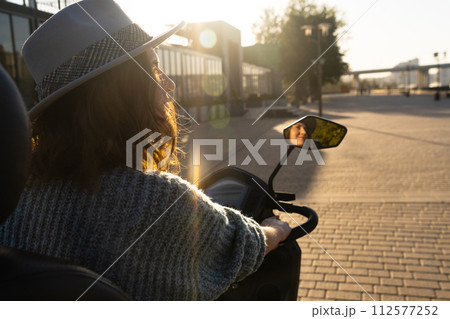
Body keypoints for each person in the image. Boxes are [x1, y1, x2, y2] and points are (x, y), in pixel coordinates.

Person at [0, 0, 290, 300]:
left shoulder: (14, 198)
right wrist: (276, 230)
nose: (170, 83)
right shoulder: (157, 202)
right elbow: (240, 244)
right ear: (121, 93)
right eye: (153, 68)